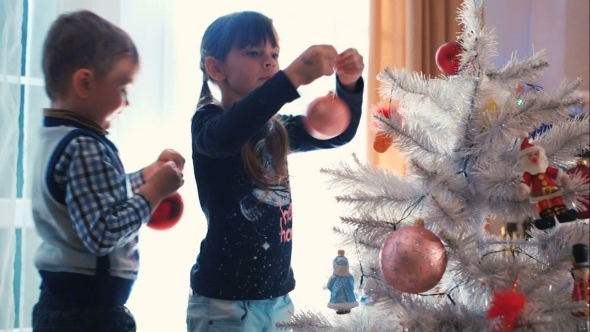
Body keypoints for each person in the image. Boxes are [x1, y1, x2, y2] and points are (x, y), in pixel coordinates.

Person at [188, 11, 364, 332]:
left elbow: (338, 133)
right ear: (216, 67)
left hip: (279, 299)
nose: (269, 62)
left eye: (274, 55)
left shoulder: (275, 129)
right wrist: (292, 75)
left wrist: (348, 86)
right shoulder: (209, 123)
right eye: (254, 53)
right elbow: (226, 135)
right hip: (225, 305)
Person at [31, 10, 185, 332]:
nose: (127, 103)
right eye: (124, 88)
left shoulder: (56, 137)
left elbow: (91, 199)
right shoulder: (85, 146)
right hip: (88, 315)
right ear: (85, 82)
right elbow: (102, 233)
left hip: (61, 305)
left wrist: (146, 175)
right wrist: (153, 192)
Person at [517, 134, 578, 230]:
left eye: (536, 154)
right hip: (538, 193)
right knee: (543, 205)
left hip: (552, 189)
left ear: (540, 155)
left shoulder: (544, 168)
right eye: (530, 155)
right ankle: (548, 220)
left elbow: (554, 172)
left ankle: (562, 215)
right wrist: (523, 190)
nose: (534, 157)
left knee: (557, 201)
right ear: (525, 159)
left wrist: (563, 177)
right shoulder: (528, 173)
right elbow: (525, 181)